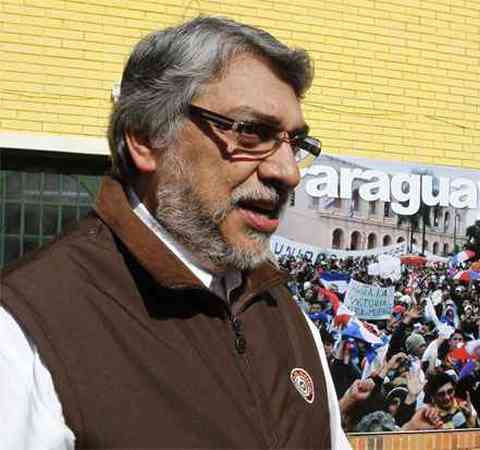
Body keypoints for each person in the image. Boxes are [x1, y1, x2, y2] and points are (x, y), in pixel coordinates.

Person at [0, 16, 351, 450]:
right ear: (146, 138)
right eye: (251, 132)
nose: (288, 172)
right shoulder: (25, 329)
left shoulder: (286, 317)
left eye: (294, 142)